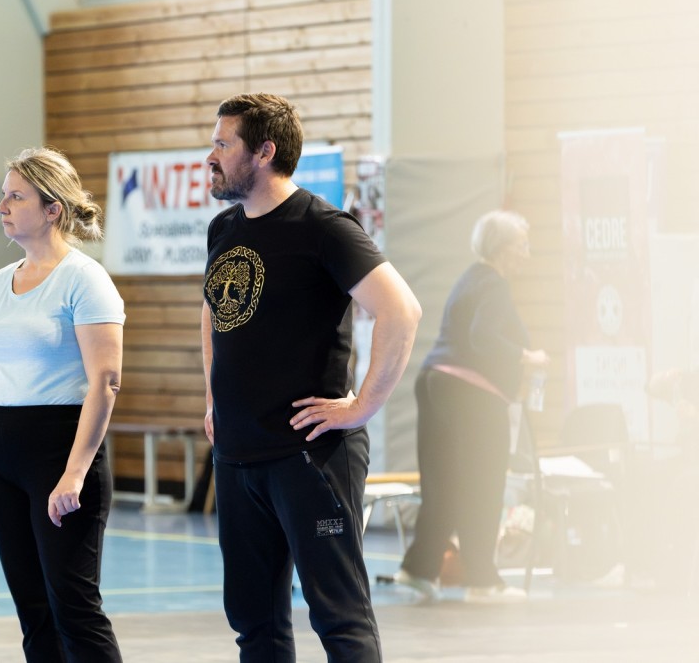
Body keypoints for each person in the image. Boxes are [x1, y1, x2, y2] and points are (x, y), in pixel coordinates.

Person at [201, 93, 422, 662]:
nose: (211, 156)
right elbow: (214, 314)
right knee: (254, 623)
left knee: (339, 618)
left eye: (224, 144)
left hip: (308, 455)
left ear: (264, 152)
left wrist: (362, 407)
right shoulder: (223, 229)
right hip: (238, 455)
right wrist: (214, 398)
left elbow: (401, 310)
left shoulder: (322, 226)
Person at [0, 147, 125, 662]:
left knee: (75, 608)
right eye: (3, 196)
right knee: (33, 611)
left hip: (59, 450)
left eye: (16, 197)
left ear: (52, 210)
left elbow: (105, 382)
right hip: (1, 456)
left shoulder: (84, 279)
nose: (2, 206)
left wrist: (74, 474)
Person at [395, 209, 549, 603]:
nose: (526, 254)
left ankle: (418, 569)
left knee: (444, 484)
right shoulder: (494, 284)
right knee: (483, 485)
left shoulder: (470, 278)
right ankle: (483, 581)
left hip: (437, 383)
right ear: (502, 249)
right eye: (521, 246)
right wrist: (528, 357)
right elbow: (485, 337)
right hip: (471, 395)